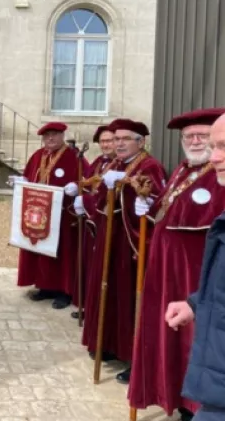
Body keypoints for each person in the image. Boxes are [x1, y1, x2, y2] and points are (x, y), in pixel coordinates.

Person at [128, 109, 225, 421]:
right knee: (167, 334)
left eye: (202, 136)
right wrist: (149, 205)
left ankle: (194, 403)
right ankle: (171, 394)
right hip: (167, 270)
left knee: (193, 341)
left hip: (194, 271)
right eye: (189, 137)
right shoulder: (183, 170)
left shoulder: (217, 174)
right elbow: (167, 208)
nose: (195, 142)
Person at [75, 118, 167, 382]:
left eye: (125, 139)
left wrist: (130, 188)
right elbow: (102, 199)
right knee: (108, 290)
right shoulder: (114, 164)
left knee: (128, 297)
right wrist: (91, 199)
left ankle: (132, 356)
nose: (119, 144)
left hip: (130, 245)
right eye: (116, 139)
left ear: (141, 141)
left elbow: (155, 203)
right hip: (109, 240)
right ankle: (109, 343)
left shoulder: (150, 165)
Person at [165, 112, 225, 421]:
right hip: (215, 378)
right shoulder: (181, 172)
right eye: (193, 138)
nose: (215, 156)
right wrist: (195, 304)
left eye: (223, 146)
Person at [14, 122, 89, 309]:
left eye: (55, 134)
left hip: (64, 215)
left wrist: (78, 187)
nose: (50, 138)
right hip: (40, 214)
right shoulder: (38, 155)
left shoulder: (74, 157)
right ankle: (44, 286)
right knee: (40, 248)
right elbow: (30, 177)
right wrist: (21, 182)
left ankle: (64, 291)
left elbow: (87, 180)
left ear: (63, 135)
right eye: (47, 135)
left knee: (62, 253)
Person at [70, 124, 115, 320]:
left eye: (110, 140)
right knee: (88, 267)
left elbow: (105, 197)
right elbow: (87, 181)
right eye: (103, 141)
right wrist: (77, 187)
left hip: (104, 224)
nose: (106, 145)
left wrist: (86, 201)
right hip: (91, 224)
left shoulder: (120, 166)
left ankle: (98, 310)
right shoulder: (99, 161)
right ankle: (88, 306)